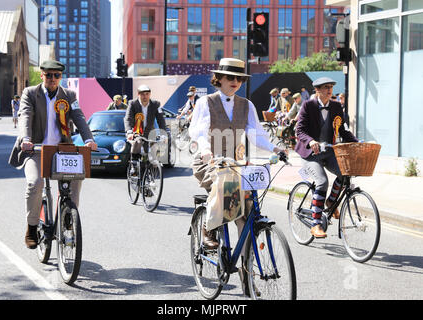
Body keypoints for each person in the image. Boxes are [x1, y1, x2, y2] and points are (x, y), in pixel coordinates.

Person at [189, 57, 286, 296]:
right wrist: (205, 150)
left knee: (247, 214)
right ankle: (209, 229)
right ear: (218, 79)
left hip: (236, 162)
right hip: (208, 162)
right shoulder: (205, 102)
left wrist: (276, 149)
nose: (235, 82)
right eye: (230, 78)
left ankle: (248, 279)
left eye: (239, 79)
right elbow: (198, 131)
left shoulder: (247, 105)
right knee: (225, 182)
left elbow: (256, 134)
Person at [8, 60, 97, 249]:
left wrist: (88, 139)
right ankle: (32, 227)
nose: (52, 79)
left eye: (56, 75)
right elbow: (25, 115)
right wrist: (26, 139)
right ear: (42, 75)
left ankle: (67, 217)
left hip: (62, 150)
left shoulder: (69, 95)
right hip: (35, 149)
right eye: (48, 75)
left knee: (75, 180)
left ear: (61, 77)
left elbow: (79, 117)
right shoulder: (30, 93)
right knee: (35, 183)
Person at [295, 77, 358, 238]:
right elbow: (299, 130)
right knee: (322, 182)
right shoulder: (308, 105)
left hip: (329, 152)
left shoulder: (336, 106)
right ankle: (316, 224)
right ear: (317, 90)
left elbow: (342, 131)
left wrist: (357, 143)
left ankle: (330, 201)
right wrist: (311, 141)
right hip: (310, 154)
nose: (329, 90)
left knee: (345, 174)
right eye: (325, 87)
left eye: (330, 87)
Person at [124, 85, 167, 161]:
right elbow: (128, 118)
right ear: (138, 94)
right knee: (138, 142)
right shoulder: (133, 104)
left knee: (155, 147)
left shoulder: (156, 104)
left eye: (147, 94)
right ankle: (134, 165)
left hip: (150, 131)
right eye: (142, 94)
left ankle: (154, 167)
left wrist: (163, 133)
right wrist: (129, 131)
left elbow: (161, 120)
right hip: (136, 132)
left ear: (150, 94)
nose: (145, 96)